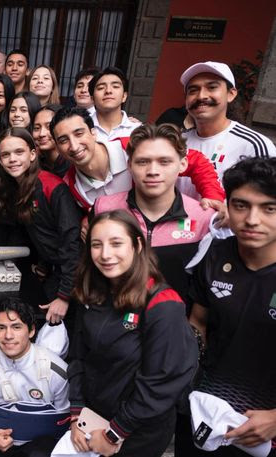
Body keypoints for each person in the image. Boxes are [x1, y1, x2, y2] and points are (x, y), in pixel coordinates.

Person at [69, 210, 198, 457]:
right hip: (94, 419)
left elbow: (163, 380)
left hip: (137, 430)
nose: (105, 254)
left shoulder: (162, 302)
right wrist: (77, 414)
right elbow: (78, 356)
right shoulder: (92, 293)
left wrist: (115, 433)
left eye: (116, 243)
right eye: (96, 245)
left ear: (137, 245)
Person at [182, 158, 276, 456]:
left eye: (269, 208)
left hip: (265, 430)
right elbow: (197, 323)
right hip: (208, 413)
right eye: (241, 205)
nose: (252, 219)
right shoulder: (214, 255)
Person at [91, 123, 215, 307]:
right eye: (142, 162)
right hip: (113, 317)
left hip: (173, 319)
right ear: (129, 165)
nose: (153, 171)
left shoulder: (204, 218)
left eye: (164, 162)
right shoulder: (104, 208)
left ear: (182, 164)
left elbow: (204, 289)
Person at [0, 128, 82, 324]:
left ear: (32, 154)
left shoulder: (51, 186)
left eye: (19, 152)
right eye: (6, 155)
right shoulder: (16, 188)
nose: (12, 159)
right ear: (0, 160)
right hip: (52, 273)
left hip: (75, 278)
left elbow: (71, 241)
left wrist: (64, 296)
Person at [51, 107, 225, 212]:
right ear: (57, 148)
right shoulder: (71, 186)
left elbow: (195, 161)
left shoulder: (132, 147)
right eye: (63, 140)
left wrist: (213, 197)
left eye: (79, 134)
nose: (74, 146)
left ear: (94, 133)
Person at [0, 297, 69, 457]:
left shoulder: (56, 370)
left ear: (31, 331)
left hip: (37, 442)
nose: (8, 335)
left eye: (16, 327)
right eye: (1, 328)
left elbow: (63, 415)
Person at [178, 61, 276, 199]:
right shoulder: (176, 141)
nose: (201, 96)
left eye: (212, 87)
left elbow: (267, 201)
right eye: (193, 90)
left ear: (231, 94)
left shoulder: (253, 145)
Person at [89, 67, 141, 142]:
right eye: (101, 88)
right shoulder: (81, 127)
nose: (108, 91)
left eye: (115, 86)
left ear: (124, 96)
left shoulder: (138, 131)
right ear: (92, 98)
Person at [32, 105, 69, 177]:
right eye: (37, 128)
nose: (41, 134)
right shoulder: (35, 164)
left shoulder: (72, 164)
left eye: (49, 127)